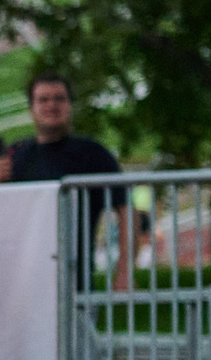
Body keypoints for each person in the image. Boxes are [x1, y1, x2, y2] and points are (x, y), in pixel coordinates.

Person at [7, 72, 133, 287]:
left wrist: (124, 269)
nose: (52, 106)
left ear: (70, 105)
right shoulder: (17, 155)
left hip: (76, 279)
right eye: (43, 100)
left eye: (59, 98)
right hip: (22, 280)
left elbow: (126, 210)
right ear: (31, 109)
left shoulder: (92, 153)